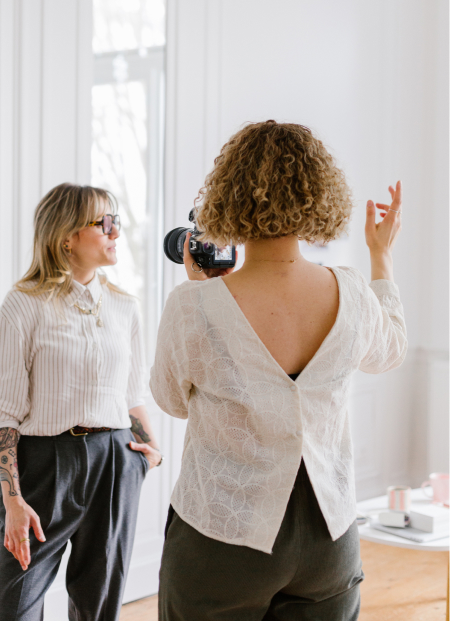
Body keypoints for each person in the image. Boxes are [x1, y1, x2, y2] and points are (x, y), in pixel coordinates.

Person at [150, 121, 406, 621]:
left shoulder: (192, 306)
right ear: (319, 195)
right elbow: (389, 351)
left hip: (222, 539)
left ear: (226, 196)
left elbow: (171, 401)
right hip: (327, 539)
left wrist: (204, 294)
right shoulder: (354, 292)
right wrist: (382, 255)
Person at [0, 183, 162, 621]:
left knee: (98, 607)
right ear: (67, 236)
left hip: (115, 462)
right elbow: (3, 411)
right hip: (44, 466)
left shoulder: (124, 306)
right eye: (105, 222)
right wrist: (13, 500)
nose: (116, 231)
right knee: (13, 607)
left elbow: (131, 394)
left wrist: (150, 451)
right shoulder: (23, 305)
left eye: (117, 221)